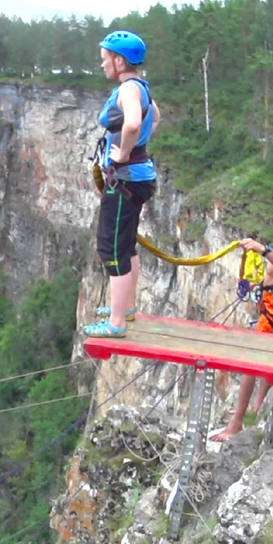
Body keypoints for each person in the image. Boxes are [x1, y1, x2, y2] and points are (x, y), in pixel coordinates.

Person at [210, 184, 273, 443]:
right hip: (271, 297)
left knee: (252, 360)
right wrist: (256, 284)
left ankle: (236, 424)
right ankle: (255, 406)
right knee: (264, 355)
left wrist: (264, 250)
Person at [83, 30, 161, 338]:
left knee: (112, 248)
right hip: (139, 176)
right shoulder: (142, 87)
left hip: (125, 178)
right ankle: (125, 308)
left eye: (105, 59)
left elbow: (131, 122)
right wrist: (140, 143)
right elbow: (154, 117)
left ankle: (116, 323)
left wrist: (124, 152)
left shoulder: (129, 88)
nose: (102, 65)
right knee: (126, 243)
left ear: (119, 60)